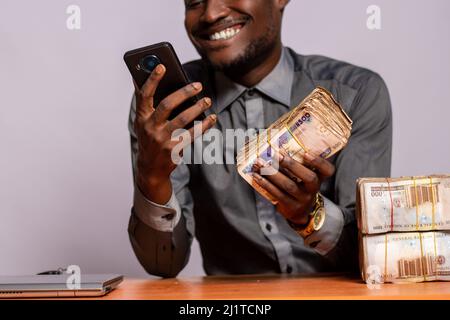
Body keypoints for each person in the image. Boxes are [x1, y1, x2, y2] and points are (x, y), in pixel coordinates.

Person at [127, 0, 392, 277]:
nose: (211, 13)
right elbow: (163, 264)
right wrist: (153, 177)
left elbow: (371, 257)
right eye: (194, 2)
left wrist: (310, 216)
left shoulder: (355, 93)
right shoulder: (166, 112)